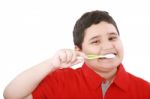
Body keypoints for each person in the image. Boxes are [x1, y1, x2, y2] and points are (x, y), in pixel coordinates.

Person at [3, 10, 150, 99]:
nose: (107, 46)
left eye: (112, 38)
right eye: (96, 42)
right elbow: (11, 95)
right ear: (79, 51)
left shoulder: (145, 90)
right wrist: (51, 64)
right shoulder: (60, 81)